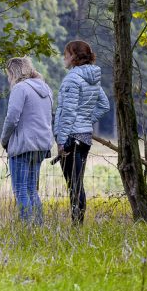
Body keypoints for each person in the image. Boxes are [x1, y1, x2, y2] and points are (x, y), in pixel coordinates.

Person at [54, 40, 110, 225]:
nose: (64, 57)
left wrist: (61, 141)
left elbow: (68, 112)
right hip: (84, 137)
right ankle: (77, 225)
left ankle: (77, 227)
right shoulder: (92, 78)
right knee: (77, 184)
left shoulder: (72, 78)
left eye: (66, 54)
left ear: (74, 57)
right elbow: (104, 105)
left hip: (71, 137)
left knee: (74, 186)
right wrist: (86, 120)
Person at [0, 57, 54, 225]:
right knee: (32, 189)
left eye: (9, 74)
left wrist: (4, 139)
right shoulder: (46, 88)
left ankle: (26, 229)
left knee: (21, 191)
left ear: (13, 72)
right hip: (41, 145)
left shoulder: (20, 89)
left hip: (23, 145)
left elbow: (12, 118)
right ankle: (38, 225)